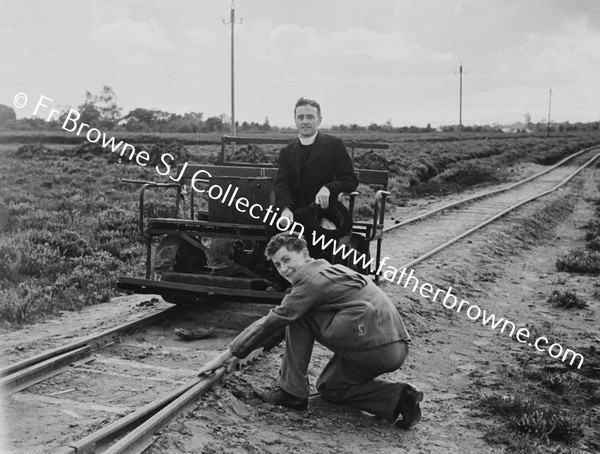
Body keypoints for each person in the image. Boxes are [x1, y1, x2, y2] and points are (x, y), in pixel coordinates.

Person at [197, 233, 423, 429]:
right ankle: (399, 398)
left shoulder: (310, 279)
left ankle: (291, 392)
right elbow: (278, 325)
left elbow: (274, 320)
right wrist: (256, 347)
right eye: (277, 265)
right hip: (389, 346)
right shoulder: (329, 269)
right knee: (330, 388)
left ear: (304, 254)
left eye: (287, 259)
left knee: (298, 315)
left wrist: (227, 355)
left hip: (371, 341)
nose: (284, 269)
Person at [265, 97, 359, 290]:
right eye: (301, 117)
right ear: (295, 121)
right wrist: (285, 208)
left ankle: (315, 282)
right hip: (296, 208)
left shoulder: (334, 145)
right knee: (272, 223)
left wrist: (328, 187)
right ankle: (283, 279)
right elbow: (281, 183)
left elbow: (350, 180)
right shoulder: (287, 151)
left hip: (324, 209)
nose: (305, 121)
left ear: (319, 120)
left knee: (312, 229)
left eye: (310, 116)